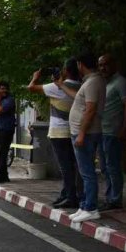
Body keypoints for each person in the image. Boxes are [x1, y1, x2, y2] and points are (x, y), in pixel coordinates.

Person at [28, 60, 81, 209]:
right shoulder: (80, 86)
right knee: (72, 164)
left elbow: (31, 88)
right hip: (74, 130)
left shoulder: (56, 88)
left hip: (59, 132)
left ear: (66, 71)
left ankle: (70, 196)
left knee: (65, 166)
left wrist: (35, 77)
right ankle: (67, 194)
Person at [63, 52, 106, 223]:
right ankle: (85, 205)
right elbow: (80, 99)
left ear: (81, 64)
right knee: (84, 171)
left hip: (86, 134)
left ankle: (91, 207)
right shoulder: (90, 82)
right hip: (84, 133)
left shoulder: (93, 82)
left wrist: (81, 133)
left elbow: (90, 109)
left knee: (87, 172)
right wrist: (61, 86)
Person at [98, 55, 126, 210]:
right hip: (101, 132)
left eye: (106, 64)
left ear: (114, 64)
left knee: (113, 167)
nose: (102, 68)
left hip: (113, 132)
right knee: (105, 167)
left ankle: (115, 199)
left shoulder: (121, 82)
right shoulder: (105, 84)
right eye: (100, 65)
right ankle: (109, 197)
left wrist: (125, 129)